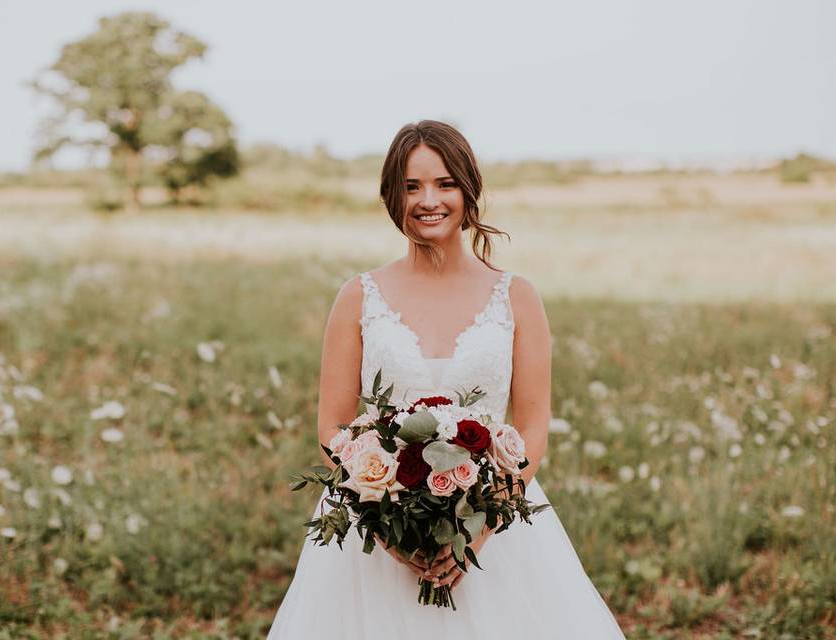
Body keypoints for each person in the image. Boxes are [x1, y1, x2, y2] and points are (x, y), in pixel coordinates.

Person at [267, 120, 625, 638]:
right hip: (374, 533)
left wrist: (478, 533)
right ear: (392, 196)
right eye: (411, 186)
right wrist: (387, 529)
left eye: (444, 183)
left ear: (468, 189)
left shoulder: (516, 297)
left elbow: (531, 428)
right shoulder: (358, 296)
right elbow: (332, 426)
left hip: (493, 526)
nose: (427, 200)